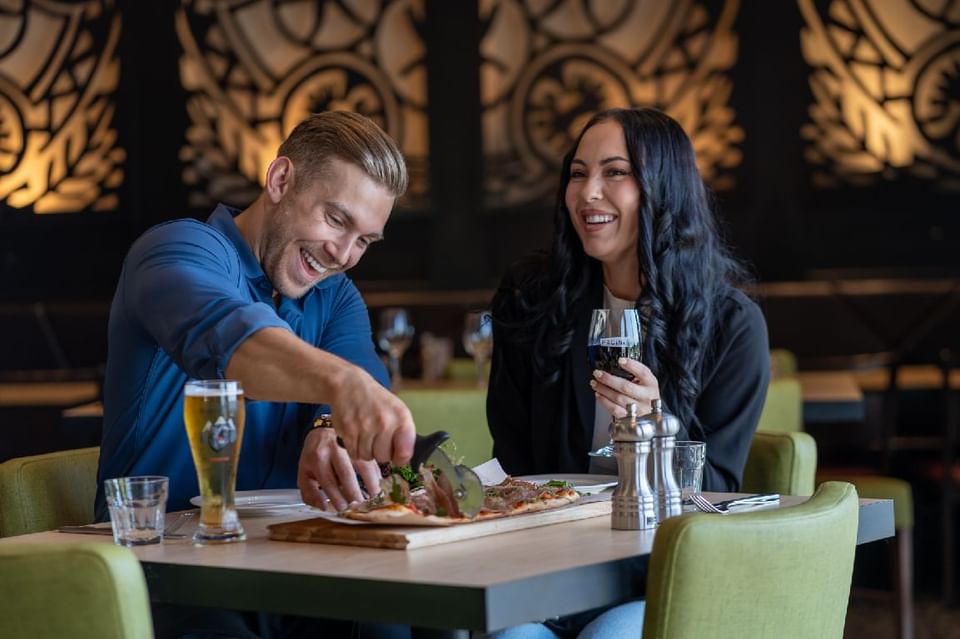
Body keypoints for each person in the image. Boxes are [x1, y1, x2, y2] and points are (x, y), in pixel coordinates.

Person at [96, 110, 416, 639]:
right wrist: (342, 388)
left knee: (408, 617)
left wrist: (327, 426)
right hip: (165, 567)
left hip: (290, 561)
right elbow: (231, 344)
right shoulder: (177, 249)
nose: (343, 255)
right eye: (336, 220)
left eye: (364, 240)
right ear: (281, 179)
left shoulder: (334, 297)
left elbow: (359, 372)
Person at [485, 107, 770, 638]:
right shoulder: (532, 299)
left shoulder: (729, 324)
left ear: (663, 189)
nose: (588, 192)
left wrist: (657, 431)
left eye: (615, 172)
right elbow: (515, 459)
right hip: (549, 567)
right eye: (577, 172)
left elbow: (718, 492)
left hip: (662, 571)